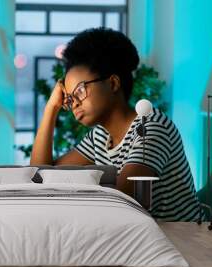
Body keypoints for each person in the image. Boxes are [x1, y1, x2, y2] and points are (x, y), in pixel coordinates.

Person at [30, 27, 200, 221]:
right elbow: (41, 176)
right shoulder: (100, 136)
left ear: (112, 84)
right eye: (68, 99)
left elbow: (120, 203)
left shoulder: (151, 127)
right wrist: (51, 108)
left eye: (79, 91)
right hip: (141, 239)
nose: (74, 102)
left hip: (184, 241)